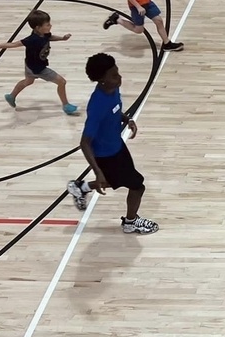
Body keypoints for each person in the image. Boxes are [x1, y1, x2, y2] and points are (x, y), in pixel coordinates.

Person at [66, 53, 159, 234]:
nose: (119, 78)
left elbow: (115, 109)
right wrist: (97, 171)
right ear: (101, 80)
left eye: (118, 73)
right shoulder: (97, 105)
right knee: (137, 186)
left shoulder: (113, 89)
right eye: (114, 75)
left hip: (117, 146)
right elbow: (84, 143)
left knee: (114, 180)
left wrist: (126, 118)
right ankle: (131, 223)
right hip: (106, 155)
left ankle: (80, 188)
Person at [0, 9, 79, 115]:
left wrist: (62, 38)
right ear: (38, 28)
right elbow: (13, 44)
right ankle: (66, 105)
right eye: (47, 25)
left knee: (28, 81)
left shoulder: (44, 34)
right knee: (62, 82)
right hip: (38, 68)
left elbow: (50, 37)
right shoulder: (32, 39)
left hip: (29, 66)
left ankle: (11, 96)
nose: (50, 26)